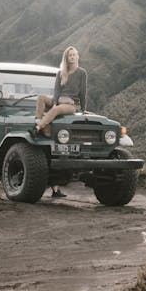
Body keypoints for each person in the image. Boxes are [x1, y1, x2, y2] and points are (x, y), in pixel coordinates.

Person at [32, 45, 87, 198]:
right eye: (70, 55)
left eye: (74, 55)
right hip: (59, 101)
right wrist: (55, 102)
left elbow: (83, 92)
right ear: (66, 57)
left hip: (70, 105)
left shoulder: (82, 73)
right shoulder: (61, 72)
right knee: (41, 98)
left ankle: (39, 126)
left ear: (78, 56)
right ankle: (38, 120)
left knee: (55, 111)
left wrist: (83, 109)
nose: (72, 57)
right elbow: (56, 90)